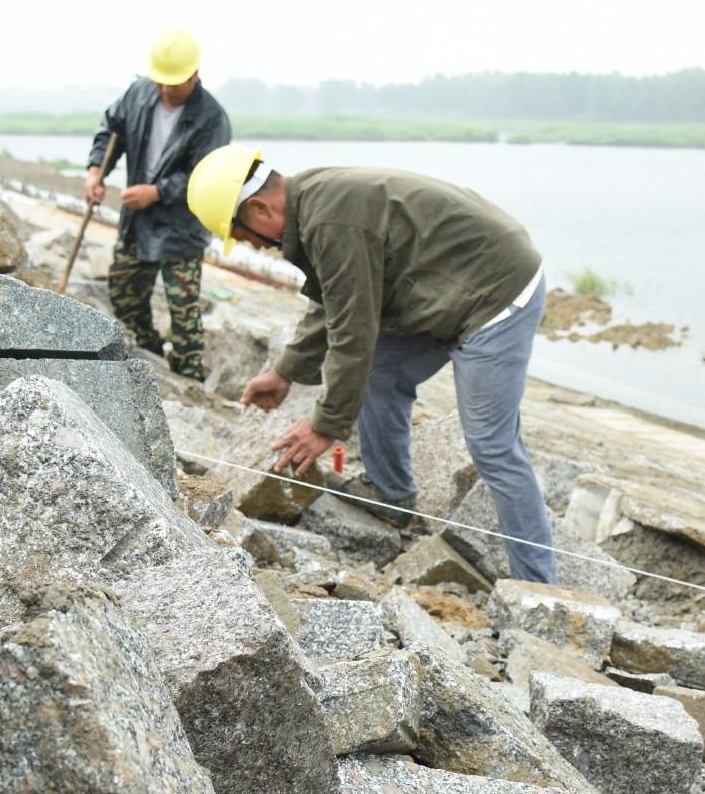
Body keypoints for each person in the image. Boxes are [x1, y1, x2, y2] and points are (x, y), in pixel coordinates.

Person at [184, 143, 558, 584]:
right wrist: (286, 371)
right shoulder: (315, 204)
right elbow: (333, 302)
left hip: (496, 294)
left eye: (242, 234)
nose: (253, 246)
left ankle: (539, 588)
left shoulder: (330, 220)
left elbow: (353, 330)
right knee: (382, 372)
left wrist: (326, 425)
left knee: (492, 445)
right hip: (446, 286)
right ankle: (392, 497)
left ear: (260, 208)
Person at [86, 26, 231, 380]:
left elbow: (206, 174)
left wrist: (157, 192)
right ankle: (149, 353)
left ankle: (189, 375)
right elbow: (110, 130)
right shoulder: (138, 93)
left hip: (182, 227)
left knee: (183, 310)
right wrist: (95, 172)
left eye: (175, 82)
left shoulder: (211, 118)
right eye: (161, 81)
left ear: (195, 74)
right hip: (137, 221)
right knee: (123, 294)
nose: (166, 89)